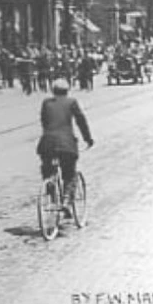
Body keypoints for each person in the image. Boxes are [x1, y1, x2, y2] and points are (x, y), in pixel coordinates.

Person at [36, 79, 94, 216]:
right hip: (66, 143)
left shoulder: (46, 103)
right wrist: (88, 138)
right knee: (69, 173)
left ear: (53, 90)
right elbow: (81, 120)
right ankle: (67, 201)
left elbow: (44, 121)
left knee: (47, 171)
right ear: (67, 91)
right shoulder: (71, 102)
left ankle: (51, 195)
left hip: (47, 143)